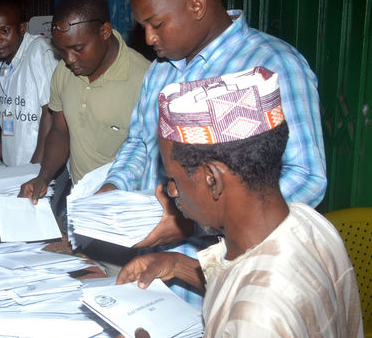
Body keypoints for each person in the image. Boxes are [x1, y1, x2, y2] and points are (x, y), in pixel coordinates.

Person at [96, 0, 327, 306]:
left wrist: (192, 223)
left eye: (157, 24)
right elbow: (139, 141)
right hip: (155, 270)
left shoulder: (271, 65)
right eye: (143, 26)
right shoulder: (161, 70)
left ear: (196, 4)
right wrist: (114, 186)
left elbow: (306, 178)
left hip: (226, 280)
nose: (148, 38)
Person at [116, 67, 363, 337]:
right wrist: (177, 265)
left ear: (212, 178)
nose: (172, 191)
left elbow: (253, 301)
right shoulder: (310, 222)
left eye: (174, 178)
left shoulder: (257, 320)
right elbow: (246, 281)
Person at [19, 0, 151, 199]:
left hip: (127, 206)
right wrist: (43, 176)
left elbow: (151, 155)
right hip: (80, 200)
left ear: (105, 31)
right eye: (62, 50)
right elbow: (60, 132)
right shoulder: (63, 72)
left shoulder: (144, 79)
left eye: (78, 48)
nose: (69, 59)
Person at [0, 1, 58, 165]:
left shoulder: (39, 50)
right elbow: (7, 118)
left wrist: (34, 168)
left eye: (5, 31)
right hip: (14, 166)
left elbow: (51, 112)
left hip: (40, 166)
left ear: (22, 29)